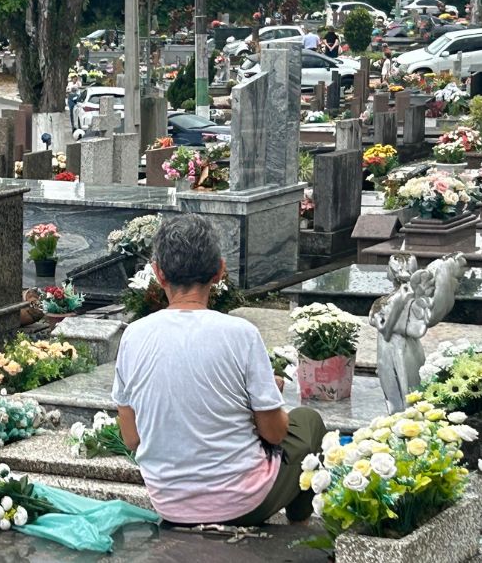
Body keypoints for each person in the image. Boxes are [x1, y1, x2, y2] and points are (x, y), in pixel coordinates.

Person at [113, 214, 327, 527]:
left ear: (158, 274)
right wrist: (264, 401)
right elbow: (275, 432)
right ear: (219, 271)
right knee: (309, 421)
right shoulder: (240, 334)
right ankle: (300, 526)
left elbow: (131, 438)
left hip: (169, 503)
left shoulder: (133, 335)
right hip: (244, 502)